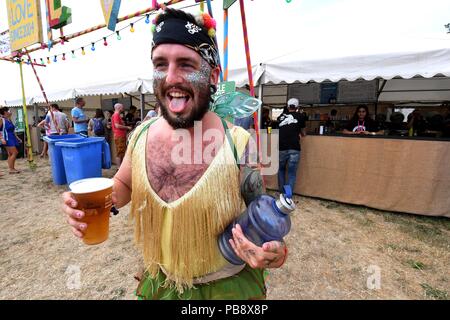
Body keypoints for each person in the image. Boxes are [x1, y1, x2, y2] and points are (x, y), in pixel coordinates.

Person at [62, 8, 287, 300]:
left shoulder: (239, 146)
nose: (170, 78)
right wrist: (89, 204)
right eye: (160, 64)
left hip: (225, 290)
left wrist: (276, 253)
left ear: (213, 75)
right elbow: (125, 185)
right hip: (160, 285)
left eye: (186, 65)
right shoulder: (141, 136)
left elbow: (266, 224)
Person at [277, 98, 306, 193]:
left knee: (281, 170)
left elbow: (276, 129)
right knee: (291, 173)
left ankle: (281, 192)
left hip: (282, 147)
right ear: (297, 107)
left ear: (288, 106)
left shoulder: (280, 117)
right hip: (294, 147)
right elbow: (304, 133)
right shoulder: (301, 116)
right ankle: (287, 196)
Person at [0, 107, 22, 174]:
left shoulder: (9, 119)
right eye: (9, 110)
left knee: (10, 154)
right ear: (5, 112)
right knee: (15, 152)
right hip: (6, 138)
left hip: (12, 137)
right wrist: (1, 139)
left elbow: (13, 130)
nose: (10, 112)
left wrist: (18, 138)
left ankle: (12, 168)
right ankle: (11, 169)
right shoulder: (1, 119)